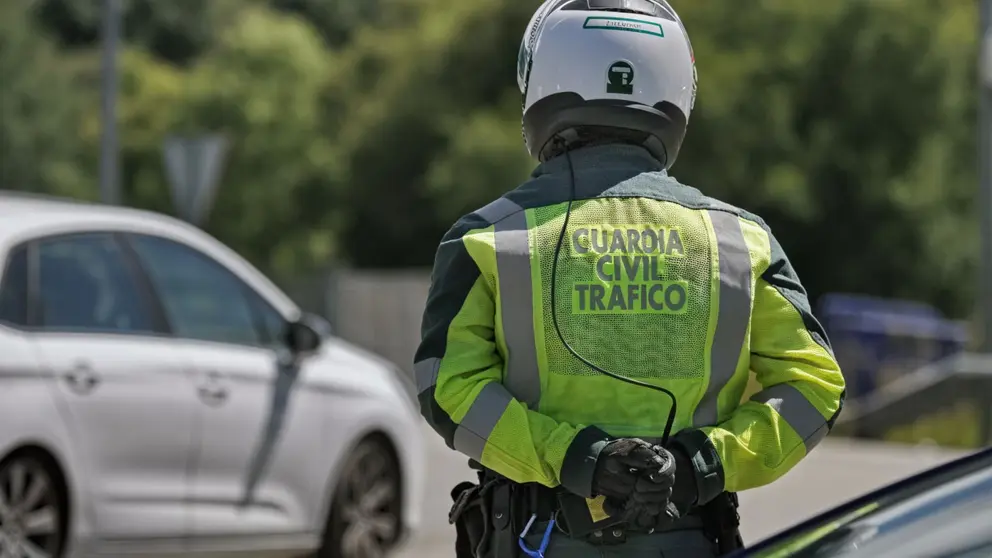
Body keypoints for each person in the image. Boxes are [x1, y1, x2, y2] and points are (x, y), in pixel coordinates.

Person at [414, 1, 847, 556]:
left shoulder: (487, 238)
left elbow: (447, 390)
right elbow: (816, 389)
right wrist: (698, 466)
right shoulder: (743, 240)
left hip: (534, 540)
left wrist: (581, 461)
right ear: (678, 94)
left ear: (539, 83)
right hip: (691, 538)